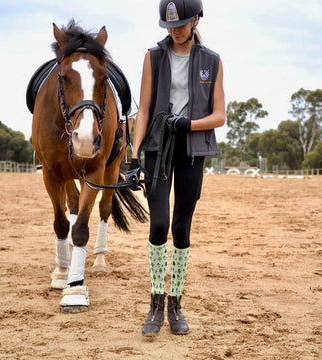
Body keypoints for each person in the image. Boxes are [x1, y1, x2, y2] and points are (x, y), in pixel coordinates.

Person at [128, 0, 226, 337]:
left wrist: (188, 125)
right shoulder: (153, 57)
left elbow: (219, 116)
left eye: (182, 24)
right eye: (170, 25)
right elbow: (143, 112)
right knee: (159, 224)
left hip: (191, 152)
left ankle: (176, 304)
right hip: (158, 149)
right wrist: (133, 154)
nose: (175, 30)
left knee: (182, 229)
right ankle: (155, 304)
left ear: (197, 18)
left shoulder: (211, 61)